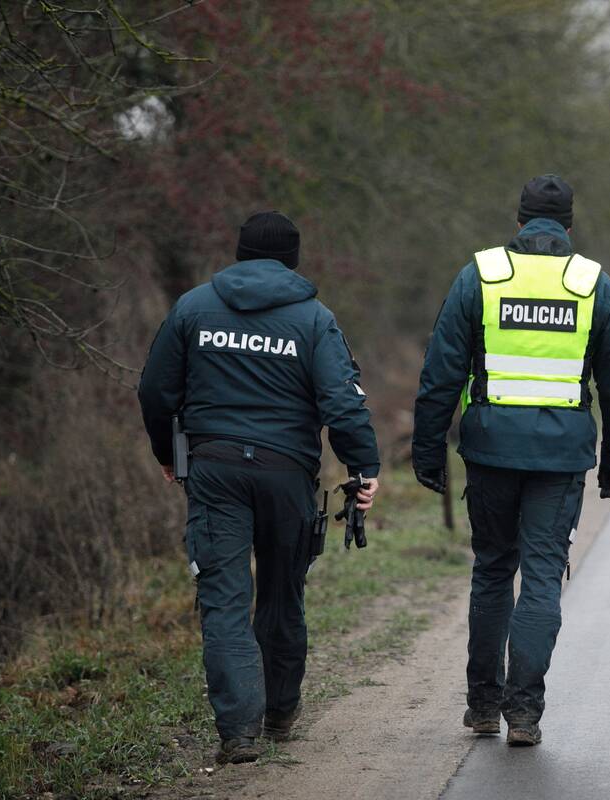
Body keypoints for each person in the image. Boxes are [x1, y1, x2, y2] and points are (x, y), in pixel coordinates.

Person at [137, 211, 380, 764]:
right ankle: (280, 713)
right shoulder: (315, 320)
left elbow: (154, 391)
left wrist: (167, 453)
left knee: (223, 601)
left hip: (215, 470)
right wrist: (363, 468)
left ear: (240, 253)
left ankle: (238, 733)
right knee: (281, 592)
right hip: (286, 473)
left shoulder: (193, 308)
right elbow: (343, 403)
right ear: (293, 260)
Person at [412, 175, 610, 746]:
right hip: (560, 456)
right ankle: (525, 713)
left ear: (518, 223)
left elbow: (439, 372)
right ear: (569, 227)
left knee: (493, 569)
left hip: (490, 450)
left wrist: (427, 452)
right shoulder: (593, 284)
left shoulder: (482, 277)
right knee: (542, 577)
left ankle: (484, 706)